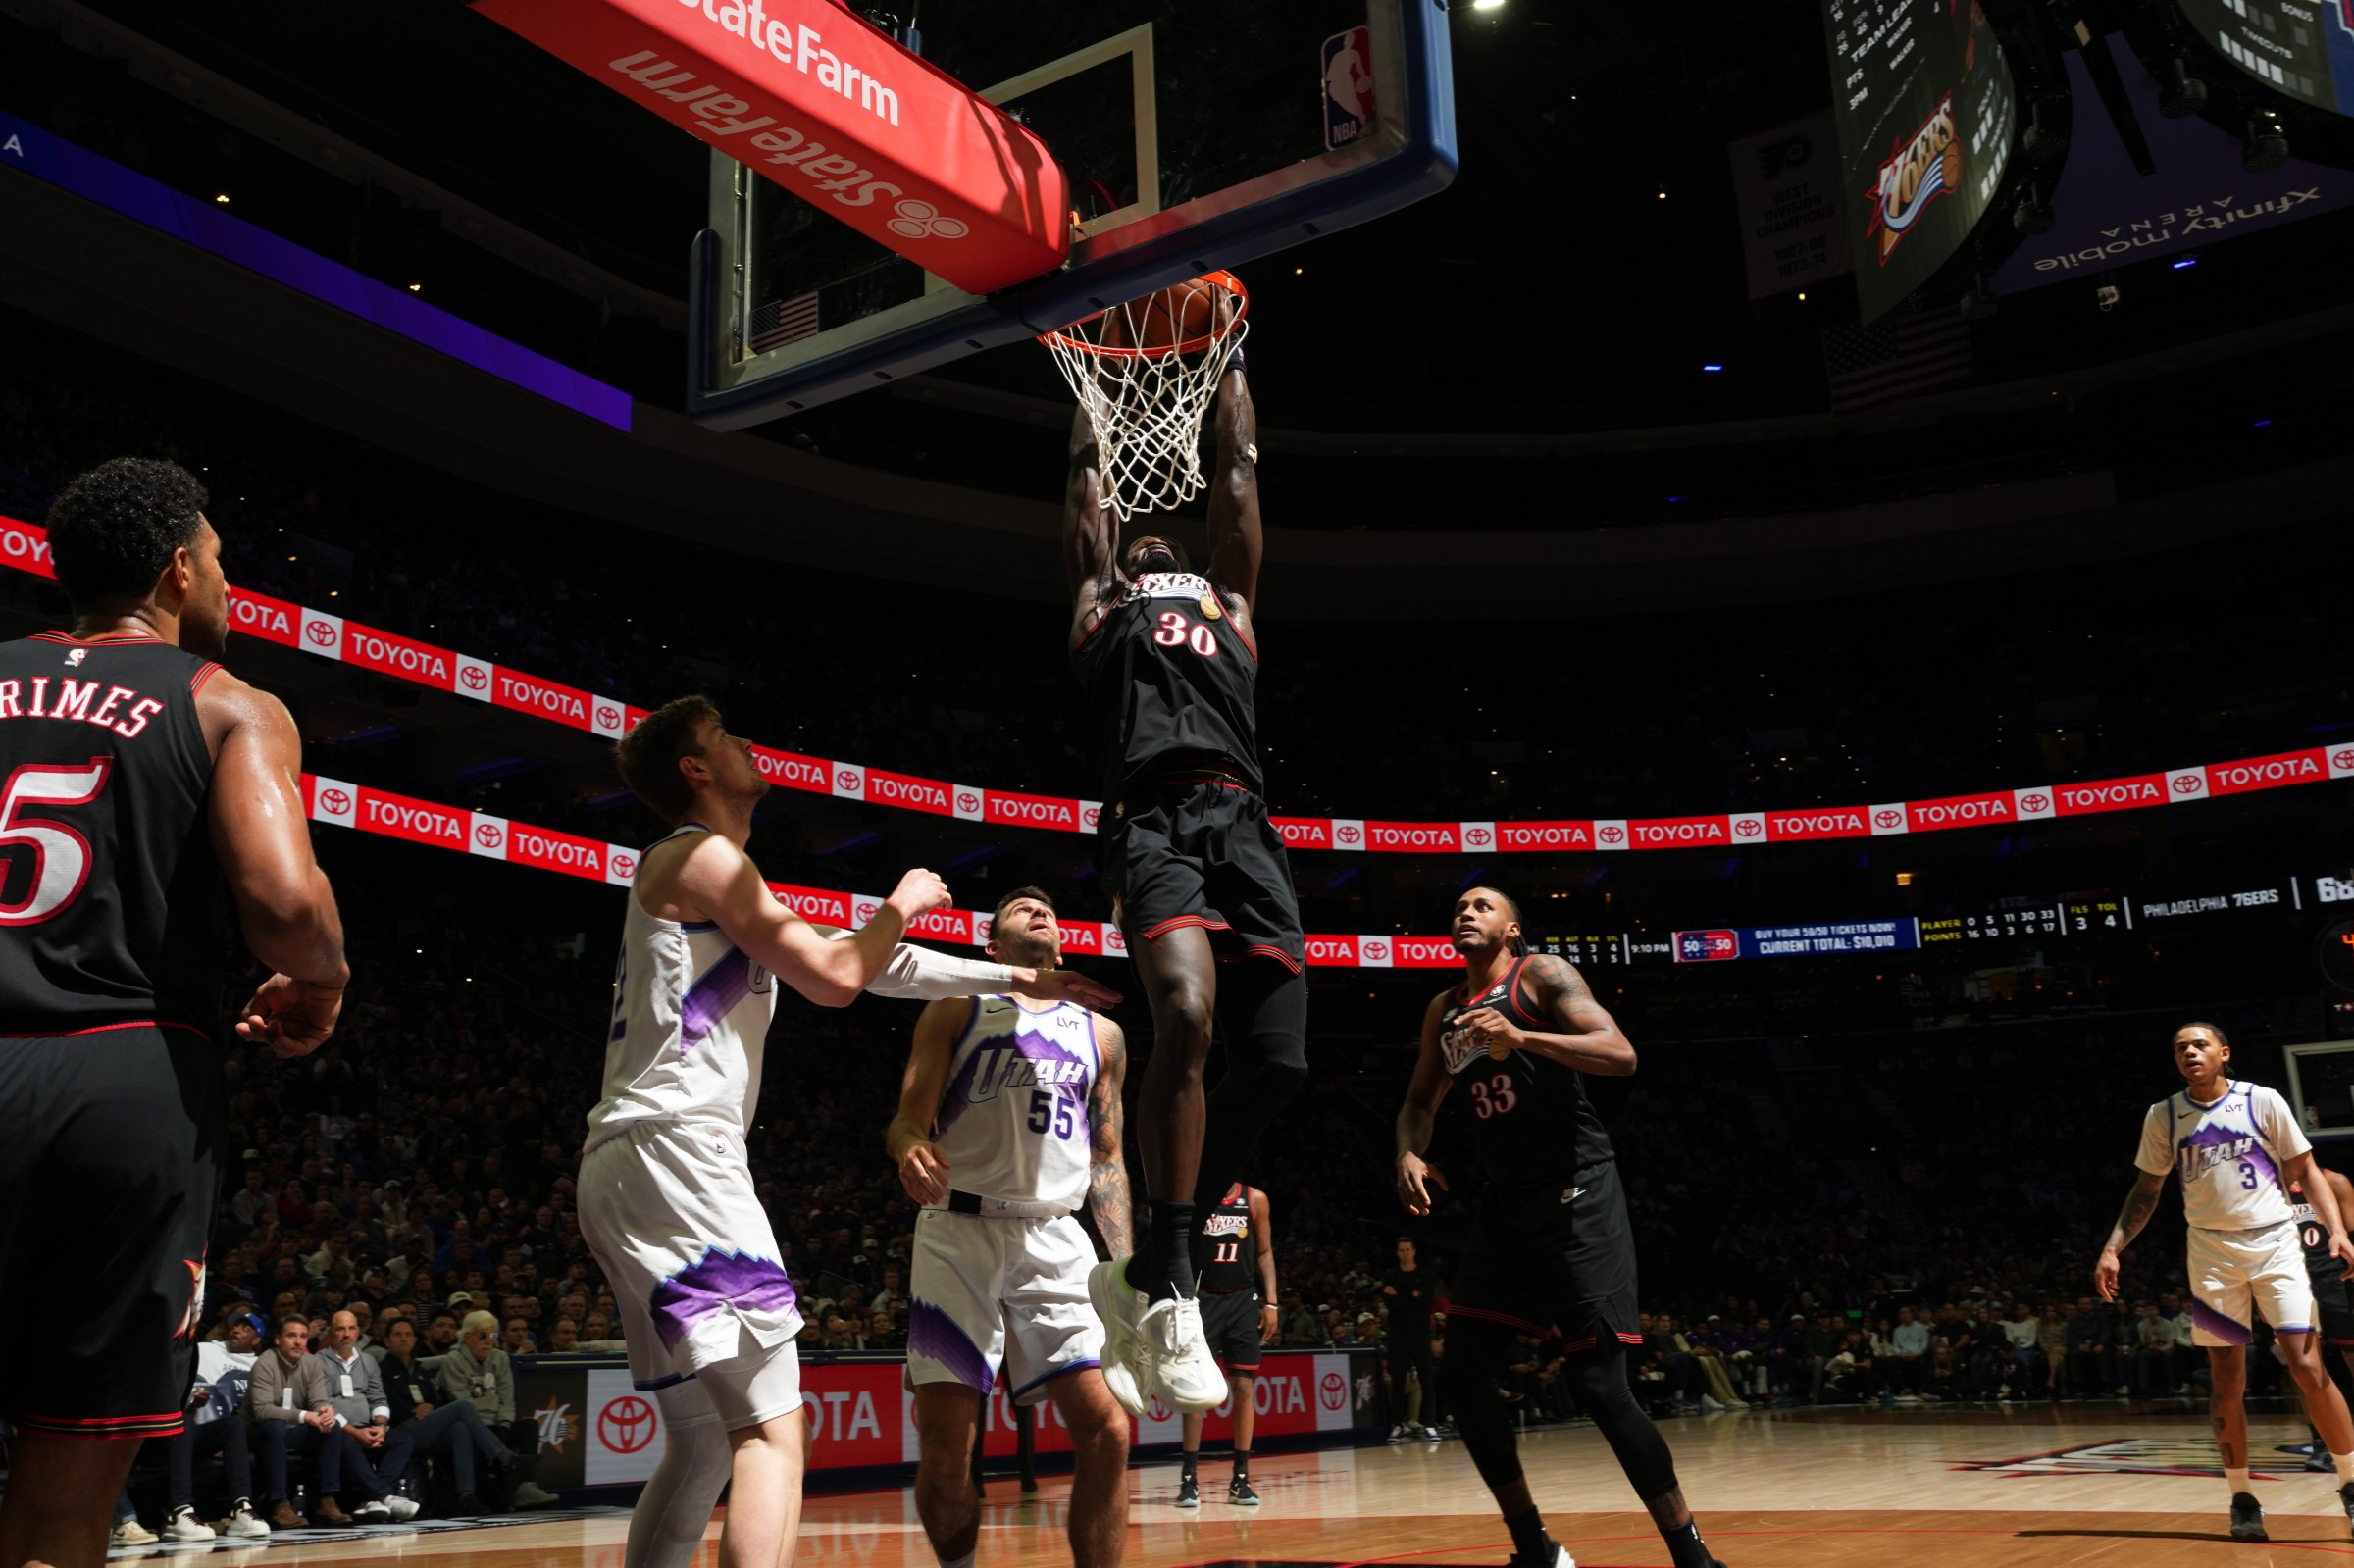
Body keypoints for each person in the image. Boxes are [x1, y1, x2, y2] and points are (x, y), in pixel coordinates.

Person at [583, 698, 1118, 1568]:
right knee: (774, 1433)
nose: (747, 742)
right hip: (681, 1154)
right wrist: (902, 900)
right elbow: (839, 976)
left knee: (703, 1440)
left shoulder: (708, 879)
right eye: (725, 737)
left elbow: (875, 966)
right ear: (696, 768)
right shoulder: (705, 855)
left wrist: (1017, 979)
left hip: (624, 1162)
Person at [0, 457, 348, 1568]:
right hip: (121, 1073)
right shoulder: (226, 701)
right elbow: (285, 908)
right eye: (223, 562)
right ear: (178, 571)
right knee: (66, 1487)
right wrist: (325, 979)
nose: (230, 587)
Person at [1064, 340, 1306, 1413]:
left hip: (1244, 823)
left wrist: (1232, 365)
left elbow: (1238, 471)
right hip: (1152, 820)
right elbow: (1087, 490)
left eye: (1174, 537)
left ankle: (1152, 1256)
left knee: (1282, 1058)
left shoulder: (1233, 607)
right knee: (1188, 1016)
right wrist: (1088, 383)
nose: (1155, 537)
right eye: (1137, 538)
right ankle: (1168, 1282)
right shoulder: (1101, 606)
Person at [1395, 889, 1723, 1568]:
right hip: (1504, 1206)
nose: (1466, 912)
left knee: (1601, 1386)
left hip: (1578, 1191)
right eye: (1458, 905)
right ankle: (1534, 1549)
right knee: (1462, 1377)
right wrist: (1407, 1150)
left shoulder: (1541, 974)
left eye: (1482, 906)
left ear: (1511, 929)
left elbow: (1619, 1053)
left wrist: (1522, 1037)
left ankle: (1692, 1555)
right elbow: (1419, 1102)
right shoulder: (1444, 1009)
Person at [887, 885, 1134, 1568]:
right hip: (957, 1231)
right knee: (947, 1455)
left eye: (1047, 908)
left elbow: (1108, 1159)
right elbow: (906, 1119)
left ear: (1063, 941)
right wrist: (909, 1145)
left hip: (1056, 1235)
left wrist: (1126, 1268)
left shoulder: (1102, 1034)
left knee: (1109, 1429)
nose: (1039, 910)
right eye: (1020, 908)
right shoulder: (957, 1006)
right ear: (993, 948)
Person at [2095, 1021, 2354, 1543]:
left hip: (2276, 1244)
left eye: (2199, 1045)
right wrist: (2112, 1247)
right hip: (2212, 1253)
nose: (2189, 1053)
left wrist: (2338, 1231)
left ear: (2224, 1053)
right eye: (2180, 1048)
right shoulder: (2164, 1115)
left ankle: (2350, 1484)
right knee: (2226, 1378)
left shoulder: (2262, 1100)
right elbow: (2147, 1190)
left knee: (2307, 1365)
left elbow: (2307, 1169)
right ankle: (2242, 1497)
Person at [1174, 1182, 1279, 1508]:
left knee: (1244, 1387)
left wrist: (1272, 1302)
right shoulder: (1197, 1197)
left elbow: (1264, 1252)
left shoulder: (1256, 1199)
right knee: (1196, 1392)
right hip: (1201, 1300)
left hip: (1242, 1301)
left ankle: (1241, 1479)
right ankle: (1189, 1479)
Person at [379, 1316, 510, 1512]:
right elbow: (389, 1405)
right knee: (462, 1406)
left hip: (426, 1427)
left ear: (415, 1339)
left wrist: (430, 1406)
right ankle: (503, 1455)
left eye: (408, 1334)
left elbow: (437, 1400)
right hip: (402, 1430)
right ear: (387, 1340)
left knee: (460, 1428)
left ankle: (466, 1494)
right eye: (398, 1334)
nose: (403, 1339)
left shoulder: (419, 1369)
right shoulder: (383, 1370)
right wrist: (416, 1410)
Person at [160, 1311, 271, 1539]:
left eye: (245, 1328)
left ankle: (242, 1508)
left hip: (193, 1433)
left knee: (233, 1425)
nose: (237, 1330)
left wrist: (195, 1406)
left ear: (257, 1339)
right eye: (235, 1325)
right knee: (185, 1421)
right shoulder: (203, 1351)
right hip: (162, 1432)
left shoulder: (261, 1364)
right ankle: (180, 1511)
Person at [308, 1310, 422, 1522]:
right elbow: (323, 1404)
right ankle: (384, 1496)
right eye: (340, 1329)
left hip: (366, 1427)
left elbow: (378, 1397)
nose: (346, 1334)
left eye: (351, 1328)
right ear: (330, 1332)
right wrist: (355, 1432)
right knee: (345, 1442)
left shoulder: (368, 1361)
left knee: (404, 1439)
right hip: (337, 1429)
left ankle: (372, 1499)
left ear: (358, 1331)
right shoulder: (318, 1362)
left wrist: (380, 1426)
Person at [2289, 1169, 2354, 1472]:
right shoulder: (2268, 1185)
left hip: (2337, 1279)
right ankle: (2320, 1443)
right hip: (2292, 1282)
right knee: (2305, 1366)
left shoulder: (2335, 1182)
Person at [1384, 1239, 1442, 1441]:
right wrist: (1412, 1295)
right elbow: (1390, 1302)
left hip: (1420, 1334)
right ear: (1397, 1253)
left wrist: (1400, 1295)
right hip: (1398, 1334)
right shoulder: (1390, 1275)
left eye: (1408, 1249)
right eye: (1401, 1250)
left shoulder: (1426, 1275)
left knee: (1426, 1379)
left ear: (1414, 1252)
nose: (1405, 1253)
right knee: (1398, 1380)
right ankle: (1397, 1424)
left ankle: (1430, 1424)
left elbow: (1425, 1303)